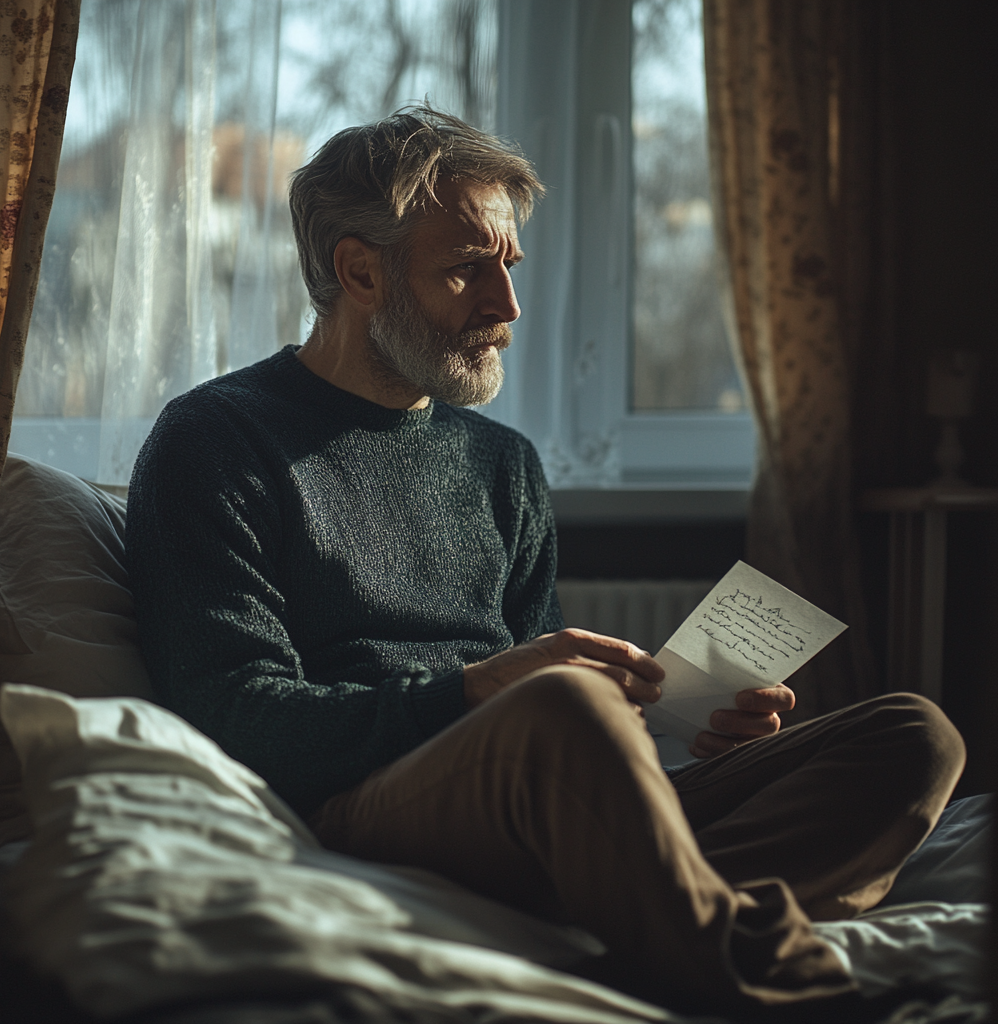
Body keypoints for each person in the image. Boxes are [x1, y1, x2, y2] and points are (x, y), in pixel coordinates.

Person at [125, 107, 965, 1018]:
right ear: (358, 271)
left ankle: (630, 912)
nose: (506, 307)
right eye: (464, 270)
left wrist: (680, 740)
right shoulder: (216, 441)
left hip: (537, 799)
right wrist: (477, 692)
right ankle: (753, 976)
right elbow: (231, 715)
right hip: (365, 799)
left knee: (914, 737)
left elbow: (562, 729)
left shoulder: (503, 464)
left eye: (508, 267)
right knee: (558, 703)